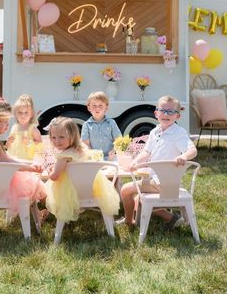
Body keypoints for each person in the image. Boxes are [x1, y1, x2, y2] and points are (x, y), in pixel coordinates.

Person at [117, 95, 197, 228]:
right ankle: (171, 218)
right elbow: (146, 152)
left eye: (171, 112)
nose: (166, 114)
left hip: (165, 182)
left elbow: (192, 150)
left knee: (125, 190)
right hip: (157, 179)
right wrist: (135, 162)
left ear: (178, 116)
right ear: (156, 113)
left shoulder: (178, 133)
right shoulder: (155, 132)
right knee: (138, 199)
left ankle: (128, 221)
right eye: (163, 111)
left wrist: (184, 156)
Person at [45, 116, 120, 223]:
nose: (57, 141)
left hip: (73, 192)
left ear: (72, 135)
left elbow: (54, 177)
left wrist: (49, 171)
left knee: (48, 188)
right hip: (91, 189)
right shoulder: (82, 149)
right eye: (53, 138)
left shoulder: (63, 156)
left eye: (61, 137)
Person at [81, 91, 121, 160]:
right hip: (94, 158)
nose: (97, 108)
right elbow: (86, 144)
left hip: (110, 157)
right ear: (89, 107)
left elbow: (118, 140)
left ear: (106, 107)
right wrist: (92, 156)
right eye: (94, 105)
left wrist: (114, 151)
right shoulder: (86, 125)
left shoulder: (111, 123)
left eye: (100, 105)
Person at [6, 94, 42, 160]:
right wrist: (8, 142)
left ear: (31, 114)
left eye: (26, 112)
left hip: (26, 160)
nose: (23, 115)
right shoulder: (14, 128)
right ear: (15, 114)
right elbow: (8, 146)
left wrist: (30, 142)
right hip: (13, 159)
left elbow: (40, 145)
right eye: (20, 112)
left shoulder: (32, 129)